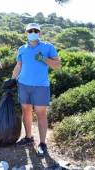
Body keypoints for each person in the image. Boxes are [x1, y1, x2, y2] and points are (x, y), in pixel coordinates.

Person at [11, 23, 61, 156]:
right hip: (23, 85)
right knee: (26, 111)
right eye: (30, 30)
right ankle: (28, 138)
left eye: (35, 30)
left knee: (41, 114)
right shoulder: (22, 48)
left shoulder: (48, 47)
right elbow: (18, 65)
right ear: (26, 33)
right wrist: (12, 79)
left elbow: (57, 65)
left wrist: (43, 58)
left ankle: (43, 143)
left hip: (41, 86)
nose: (33, 32)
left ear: (39, 33)